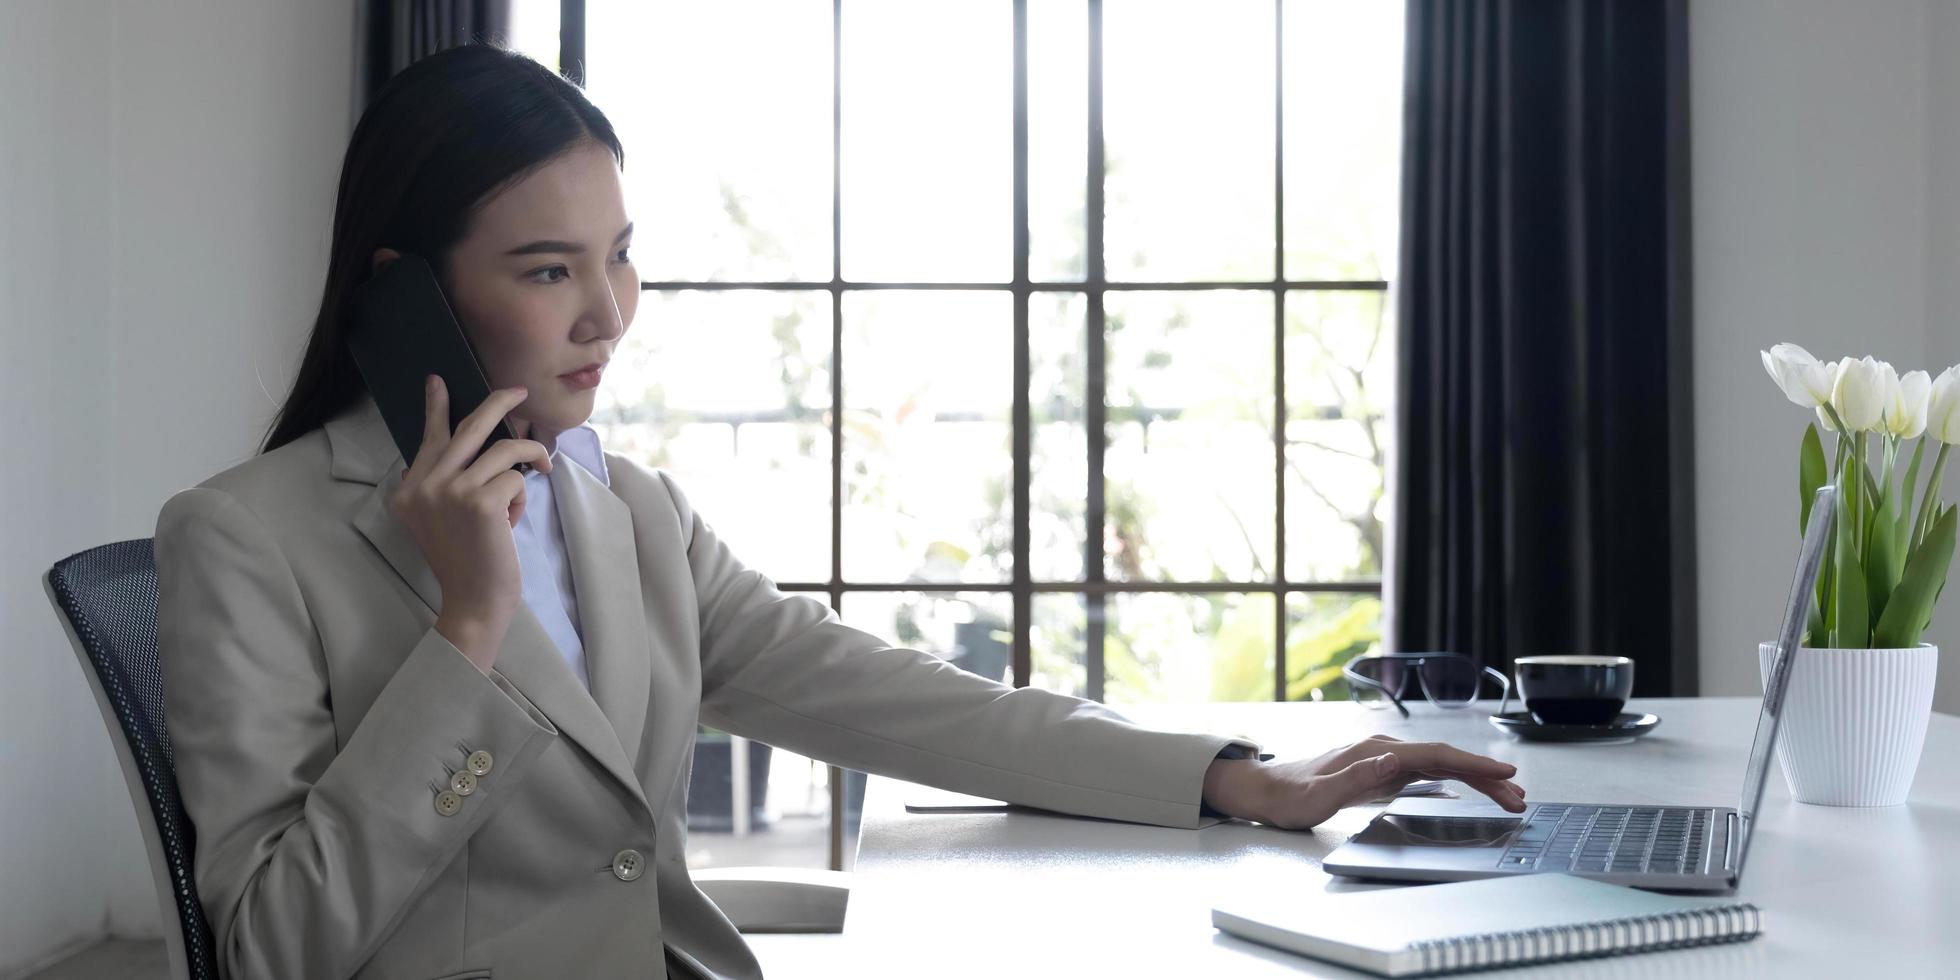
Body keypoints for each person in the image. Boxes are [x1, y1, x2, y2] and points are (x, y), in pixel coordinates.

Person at [153, 44, 1525, 980]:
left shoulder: (620, 509)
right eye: (548, 268)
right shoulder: (245, 540)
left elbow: (905, 702)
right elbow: (273, 947)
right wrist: (464, 627)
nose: (606, 315)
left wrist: (1233, 776)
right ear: (409, 294)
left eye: (620, 257)